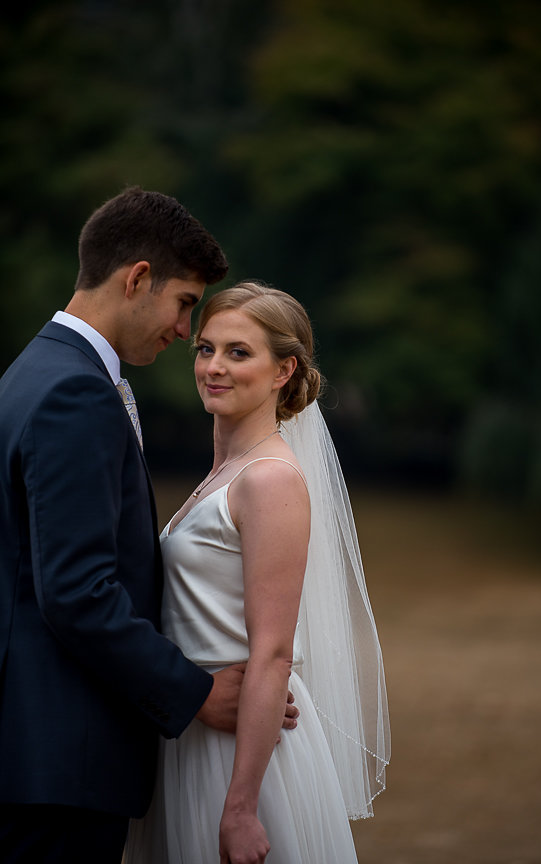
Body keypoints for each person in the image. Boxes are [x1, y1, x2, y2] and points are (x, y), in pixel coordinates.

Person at [0, 190, 298, 864]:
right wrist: (192, 693)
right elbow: (76, 591)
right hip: (57, 768)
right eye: (185, 302)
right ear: (136, 279)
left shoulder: (30, 373)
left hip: (36, 756)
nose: (186, 332)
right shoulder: (75, 392)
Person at [124, 281, 390, 864]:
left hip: (239, 753)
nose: (214, 367)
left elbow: (272, 653)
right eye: (205, 348)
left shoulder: (268, 480)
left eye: (238, 353)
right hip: (191, 726)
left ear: (283, 371)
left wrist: (241, 806)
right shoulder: (225, 474)